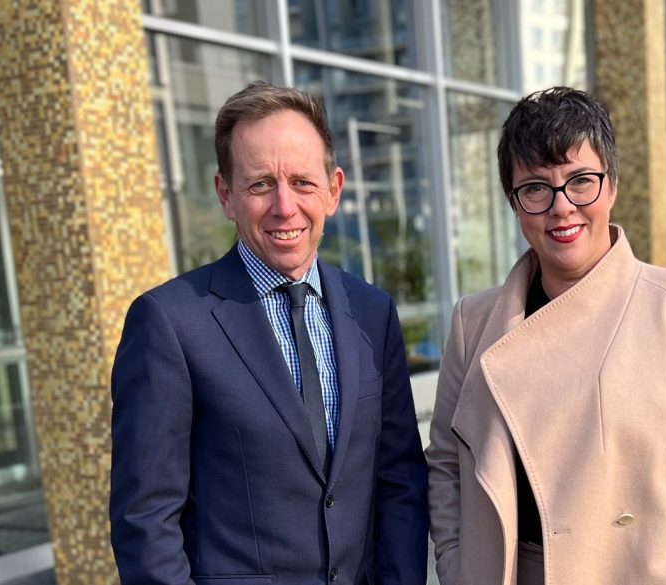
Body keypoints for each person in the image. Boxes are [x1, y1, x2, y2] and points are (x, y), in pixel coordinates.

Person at [426, 87, 666, 585]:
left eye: (581, 181)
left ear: (612, 186)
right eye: (535, 188)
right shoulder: (475, 322)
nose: (561, 207)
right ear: (514, 203)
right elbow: (447, 465)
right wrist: (456, 562)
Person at [110, 81, 428, 585]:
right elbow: (145, 519)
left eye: (302, 182)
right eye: (261, 184)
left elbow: (400, 482)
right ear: (226, 195)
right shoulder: (168, 323)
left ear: (334, 189)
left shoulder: (372, 313)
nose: (285, 206)